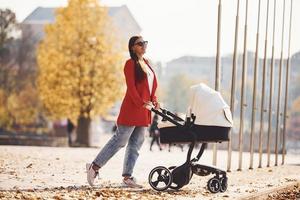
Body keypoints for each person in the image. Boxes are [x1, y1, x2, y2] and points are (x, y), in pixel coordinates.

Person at [86, 36, 159, 188]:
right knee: (120, 140)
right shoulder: (130, 64)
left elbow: (151, 87)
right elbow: (131, 88)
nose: (143, 45)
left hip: (145, 111)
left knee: (136, 144)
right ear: (132, 47)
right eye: (140, 44)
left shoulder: (147, 64)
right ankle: (94, 167)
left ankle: (127, 176)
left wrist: (155, 101)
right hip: (133, 109)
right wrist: (141, 102)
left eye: (145, 43)